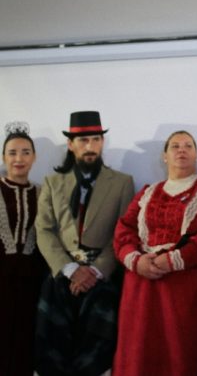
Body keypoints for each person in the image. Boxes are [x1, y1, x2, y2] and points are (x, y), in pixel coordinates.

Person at [112, 130, 197, 376]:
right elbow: (124, 229)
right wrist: (135, 260)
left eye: (188, 145)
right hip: (142, 288)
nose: (181, 150)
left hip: (186, 287)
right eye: (175, 146)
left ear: (196, 155)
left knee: (181, 352)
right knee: (139, 352)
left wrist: (174, 259)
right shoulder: (147, 192)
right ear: (164, 156)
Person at [35, 111, 135, 376]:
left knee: (95, 355)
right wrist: (70, 269)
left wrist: (95, 271)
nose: (90, 146)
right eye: (83, 140)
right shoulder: (52, 182)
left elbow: (123, 233)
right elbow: (44, 230)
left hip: (101, 278)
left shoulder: (122, 183)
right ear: (71, 144)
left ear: (102, 142)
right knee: (52, 350)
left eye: (96, 139)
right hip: (60, 276)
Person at [0, 122, 47, 376]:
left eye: (25, 152)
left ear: (34, 157)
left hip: (31, 281)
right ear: (4, 157)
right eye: (13, 153)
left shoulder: (43, 193)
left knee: (24, 344)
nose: (19, 159)